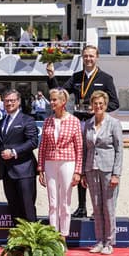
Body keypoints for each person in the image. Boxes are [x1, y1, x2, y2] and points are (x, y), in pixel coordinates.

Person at [47, 44, 119, 218]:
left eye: (91, 56)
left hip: (96, 125)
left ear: (97, 57)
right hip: (79, 124)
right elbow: (62, 94)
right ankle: (81, 206)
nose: (88, 59)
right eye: (85, 56)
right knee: (80, 164)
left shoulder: (106, 78)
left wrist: (98, 111)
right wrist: (51, 77)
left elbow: (116, 103)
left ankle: (97, 207)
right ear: (82, 57)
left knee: (95, 166)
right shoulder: (76, 77)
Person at [0, 89, 38, 222]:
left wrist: (13, 152)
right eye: (6, 101)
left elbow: (33, 142)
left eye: (12, 100)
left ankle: (32, 241)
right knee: (13, 209)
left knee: (28, 208)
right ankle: (17, 240)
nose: (9, 103)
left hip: (24, 171)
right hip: (7, 172)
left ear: (18, 102)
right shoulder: (1, 123)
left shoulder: (27, 120)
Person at [82, 90, 123, 255]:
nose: (98, 106)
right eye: (95, 103)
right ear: (92, 105)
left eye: (101, 104)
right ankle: (99, 240)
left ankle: (109, 242)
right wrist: (84, 172)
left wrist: (116, 174)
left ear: (106, 106)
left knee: (109, 207)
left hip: (108, 170)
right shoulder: (88, 124)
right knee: (96, 207)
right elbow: (86, 149)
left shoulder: (114, 123)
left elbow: (120, 150)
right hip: (92, 169)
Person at [37, 89, 83, 237]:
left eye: (54, 100)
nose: (51, 102)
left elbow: (79, 148)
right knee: (52, 202)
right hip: (50, 163)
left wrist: (78, 171)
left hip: (67, 162)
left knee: (65, 202)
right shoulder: (47, 121)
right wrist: (40, 169)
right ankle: (52, 234)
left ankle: (63, 235)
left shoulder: (74, 121)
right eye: (51, 99)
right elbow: (42, 146)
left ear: (63, 102)